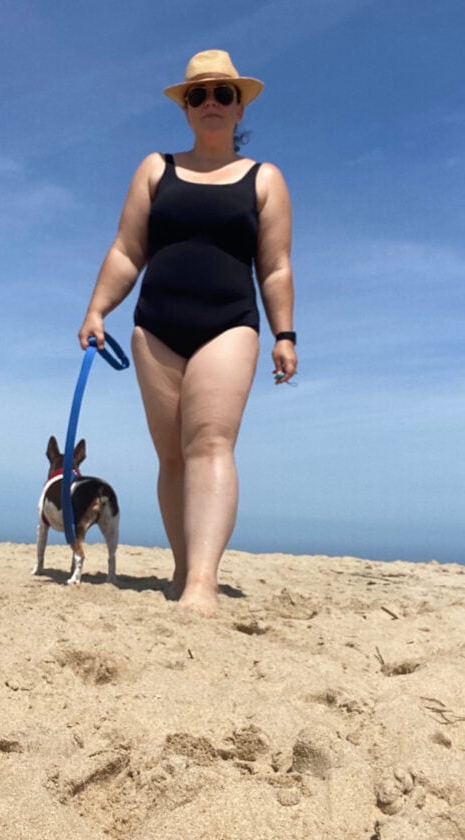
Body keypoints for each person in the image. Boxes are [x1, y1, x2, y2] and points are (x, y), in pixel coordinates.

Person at [78, 49, 297, 616]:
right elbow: (128, 250)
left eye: (224, 93)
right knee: (172, 457)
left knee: (211, 444)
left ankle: (204, 581)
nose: (211, 103)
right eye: (198, 95)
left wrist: (284, 333)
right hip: (155, 328)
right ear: (186, 108)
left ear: (240, 105)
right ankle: (182, 568)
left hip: (229, 325)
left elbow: (274, 266)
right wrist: (97, 309)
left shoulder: (264, 178)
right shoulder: (156, 168)